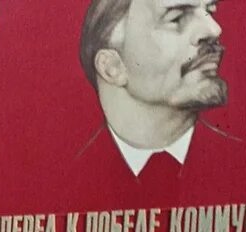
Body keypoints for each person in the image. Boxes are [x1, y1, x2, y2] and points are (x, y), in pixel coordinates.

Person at [76, 0, 231, 182]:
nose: (214, 30)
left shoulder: (245, 165)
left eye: (209, 11)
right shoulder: (62, 180)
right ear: (112, 67)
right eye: (177, 18)